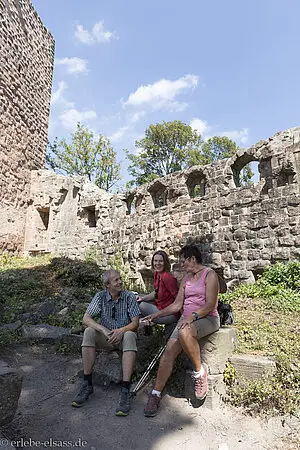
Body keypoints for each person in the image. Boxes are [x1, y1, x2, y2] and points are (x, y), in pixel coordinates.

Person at [143, 244, 220, 417]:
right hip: (186, 320)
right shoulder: (186, 278)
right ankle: (155, 394)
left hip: (207, 318)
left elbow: (210, 305)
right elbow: (177, 304)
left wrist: (192, 316)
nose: (181, 264)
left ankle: (200, 373)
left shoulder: (210, 274)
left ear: (193, 259)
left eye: (183, 260)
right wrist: (156, 315)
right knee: (168, 353)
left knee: (185, 332)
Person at [72, 269, 140, 416]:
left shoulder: (129, 297)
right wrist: (103, 329)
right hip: (106, 337)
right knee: (89, 331)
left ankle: (125, 389)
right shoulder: (100, 297)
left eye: (120, 278)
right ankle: (87, 384)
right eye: (116, 280)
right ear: (107, 285)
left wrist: (121, 331)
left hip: (123, 339)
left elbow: (135, 323)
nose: (120, 281)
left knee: (130, 335)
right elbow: (86, 319)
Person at [138, 250, 179, 325]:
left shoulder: (167, 277)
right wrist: (142, 298)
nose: (157, 263)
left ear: (165, 263)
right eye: (155, 261)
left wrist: (183, 317)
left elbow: (178, 299)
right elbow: (156, 292)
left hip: (168, 314)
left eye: (161, 261)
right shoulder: (157, 274)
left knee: (138, 304)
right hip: (159, 307)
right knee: (135, 297)